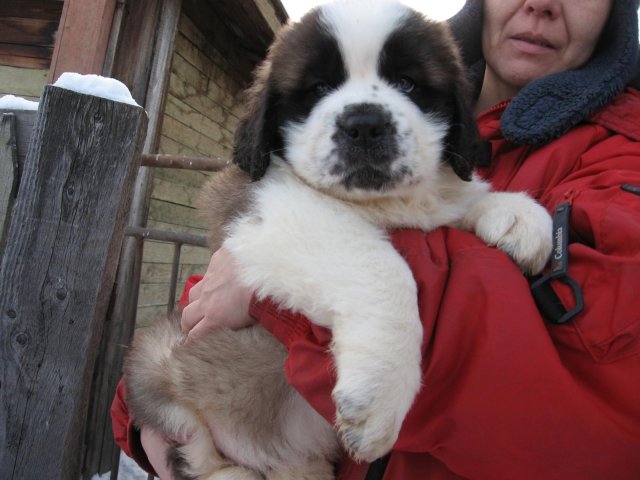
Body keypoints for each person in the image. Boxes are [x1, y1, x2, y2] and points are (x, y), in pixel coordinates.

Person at [112, 0, 640, 478]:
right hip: (232, 418)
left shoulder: (620, 156)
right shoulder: (284, 186)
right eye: (321, 88)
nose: (363, 118)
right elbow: (204, 310)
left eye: (405, 84)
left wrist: (481, 211)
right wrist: (156, 427)